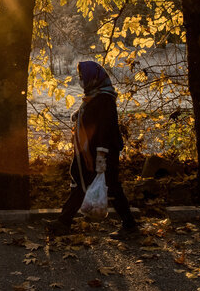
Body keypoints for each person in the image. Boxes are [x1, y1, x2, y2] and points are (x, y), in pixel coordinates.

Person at [46, 61, 140, 238]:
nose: (81, 81)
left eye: (83, 77)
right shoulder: (95, 96)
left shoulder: (104, 99)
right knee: (92, 185)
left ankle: (63, 223)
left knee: (102, 185)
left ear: (93, 79)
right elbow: (91, 118)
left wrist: (100, 156)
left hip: (101, 152)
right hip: (92, 151)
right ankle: (129, 225)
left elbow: (105, 128)